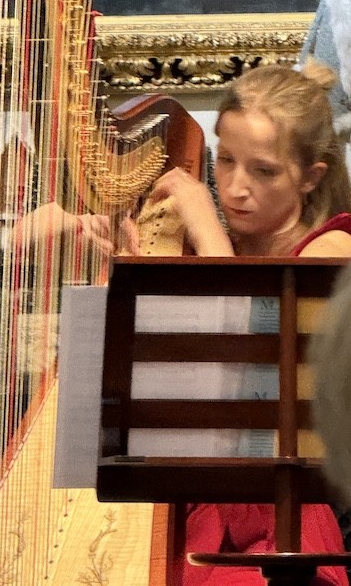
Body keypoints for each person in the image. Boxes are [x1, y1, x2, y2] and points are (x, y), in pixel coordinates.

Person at [125, 60, 351, 586]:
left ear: (311, 177)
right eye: (225, 160)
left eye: (263, 171)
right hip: (200, 510)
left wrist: (207, 231)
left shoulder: (332, 250)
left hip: (283, 524)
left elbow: (265, 379)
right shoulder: (211, 246)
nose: (235, 187)